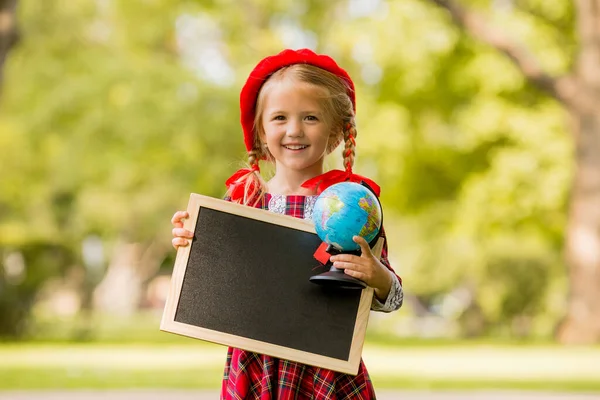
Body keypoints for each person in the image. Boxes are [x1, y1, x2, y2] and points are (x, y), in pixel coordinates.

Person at [171, 48, 403, 400]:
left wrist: (377, 277)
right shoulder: (243, 199)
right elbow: (218, 281)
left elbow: (393, 296)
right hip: (254, 363)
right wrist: (191, 241)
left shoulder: (355, 206)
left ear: (337, 133)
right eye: (279, 118)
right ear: (262, 132)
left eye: (310, 117)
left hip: (326, 364)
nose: (294, 130)